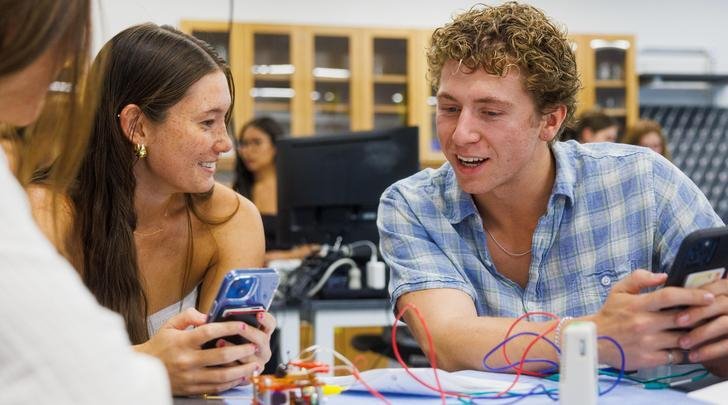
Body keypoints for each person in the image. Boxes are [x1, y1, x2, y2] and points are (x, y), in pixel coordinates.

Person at [377, 2, 728, 376]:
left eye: (491, 112)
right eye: (449, 108)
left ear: (550, 120)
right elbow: (448, 341)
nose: (461, 134)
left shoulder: (643, 182)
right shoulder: (412, 205)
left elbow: (718, 340)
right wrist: (596, 337)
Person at [29, 23, 275, 395]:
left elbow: (210, 381)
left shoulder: (233, 219)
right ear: (137, 126)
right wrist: (145, 365)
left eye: (224, 121)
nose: (225, 144)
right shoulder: (43, 216)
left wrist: (237, 357)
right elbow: (24, 378)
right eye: (207, 122)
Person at [0, 1, 170, 403]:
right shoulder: (47, 209)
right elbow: (99, 385)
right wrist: (154, 364)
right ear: (137, 126)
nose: (70, 58)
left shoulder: (226, 215)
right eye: (206, 121)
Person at [233, 116, 318, 262]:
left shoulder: (298, 189)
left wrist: (278, 257)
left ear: (276, 147)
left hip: (293, 271)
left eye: (256, 143)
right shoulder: (236, 193)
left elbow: (317, 245)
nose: (248, 151)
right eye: (244, 144)